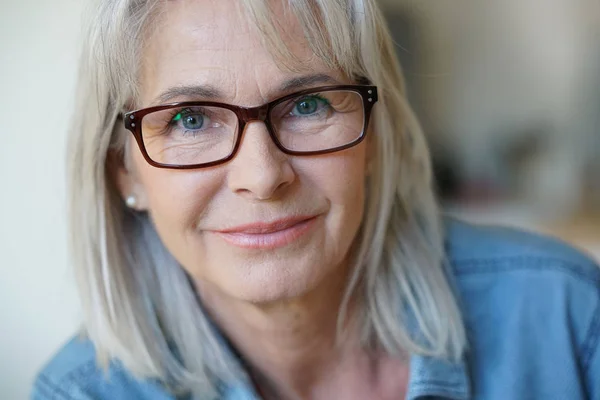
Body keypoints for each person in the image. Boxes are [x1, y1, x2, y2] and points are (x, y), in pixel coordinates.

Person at [32, 0, 600, 399]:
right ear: (124, 173)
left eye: (308, 104)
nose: (262, 175)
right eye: (189, 118)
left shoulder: (565, 315)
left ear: (374, 135)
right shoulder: (79, 393)